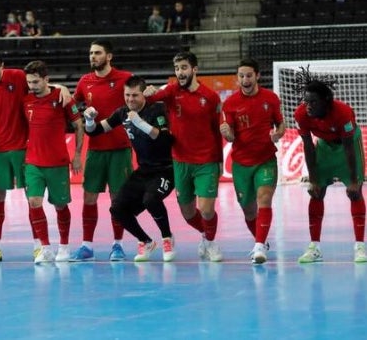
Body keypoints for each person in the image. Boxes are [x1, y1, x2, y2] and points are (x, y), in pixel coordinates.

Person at [0, 48, 72, 263]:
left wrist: (62, 87)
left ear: (2, 66)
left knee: (32, 198)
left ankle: (38, 246)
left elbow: (42, 84)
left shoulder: (18, 77)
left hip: (24, 148)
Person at [84, 75, 176, 262]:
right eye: (127, 95)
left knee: (151, 200)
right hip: (143, 171)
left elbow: (167, 140)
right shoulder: (122, 113)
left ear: (143, 95)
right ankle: (146, 241)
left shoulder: (156, 109)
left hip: (165, 170)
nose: (130, 99)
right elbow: (96, 131)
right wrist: (89, 121)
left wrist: (140, 124)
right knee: (117, 209)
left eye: (135, 95)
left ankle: (168, 238)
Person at [144, 51, 224, 262]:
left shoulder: (210, 97)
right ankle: (206, 236)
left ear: (195, 70)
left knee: (206, 210)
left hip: (206, 161)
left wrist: (220, 161)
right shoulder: (170, 92)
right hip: (180, 162)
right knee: (188, 213)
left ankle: (211, 243)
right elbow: (149, 98)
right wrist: (148, 91)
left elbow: (217, 131)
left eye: (184, 68)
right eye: (177, 68)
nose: (180, 72)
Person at [293, 67, 366, 263]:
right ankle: (314, 247)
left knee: (355, 193)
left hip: (346, 148)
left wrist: (353, 180)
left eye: (313, 102)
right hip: (324, 147)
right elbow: (308, 147)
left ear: (326, 101)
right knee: (316, 192)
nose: (307, 106)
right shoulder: (301, 114)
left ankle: (360, 246)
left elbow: (350, 147)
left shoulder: (342, 113)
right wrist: (314, 179)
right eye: (306, 101)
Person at [71, 40, 133, 262]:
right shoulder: (84, 82)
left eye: (97, 53)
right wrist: (82, 110)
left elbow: (140, 98)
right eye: (90, 53)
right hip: (95, 150)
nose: (92, 57)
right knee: (89, 198)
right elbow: (75, 104)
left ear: (109, 56)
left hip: (120, 150)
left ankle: (118, 245)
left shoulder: (125, 78)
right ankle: (87, 245)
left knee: (118, 200)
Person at [219, 59, 285, 264]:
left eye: (248, 75)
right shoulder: (230, 103)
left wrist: (278, 134)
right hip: (241, 163)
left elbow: (281, 124)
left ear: (257, 76)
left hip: (265, 159)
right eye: (241, 76)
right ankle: (260, 240)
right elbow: (230, 137)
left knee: (264, 199)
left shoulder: (270, 98)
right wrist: (227, 133)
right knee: (248, 209)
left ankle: (259, 247)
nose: (245, 79)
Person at [23, 60, 83, 263]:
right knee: (33, 202)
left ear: (46, 79)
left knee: (60, 205)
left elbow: (79, 125)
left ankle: (64, 246)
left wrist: (77, 155)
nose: (32, 86)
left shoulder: (62, 97)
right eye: (29, 82)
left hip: (57, 162)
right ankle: (45, 247)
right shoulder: (26, 99)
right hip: (33, 162)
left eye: (36, 82)